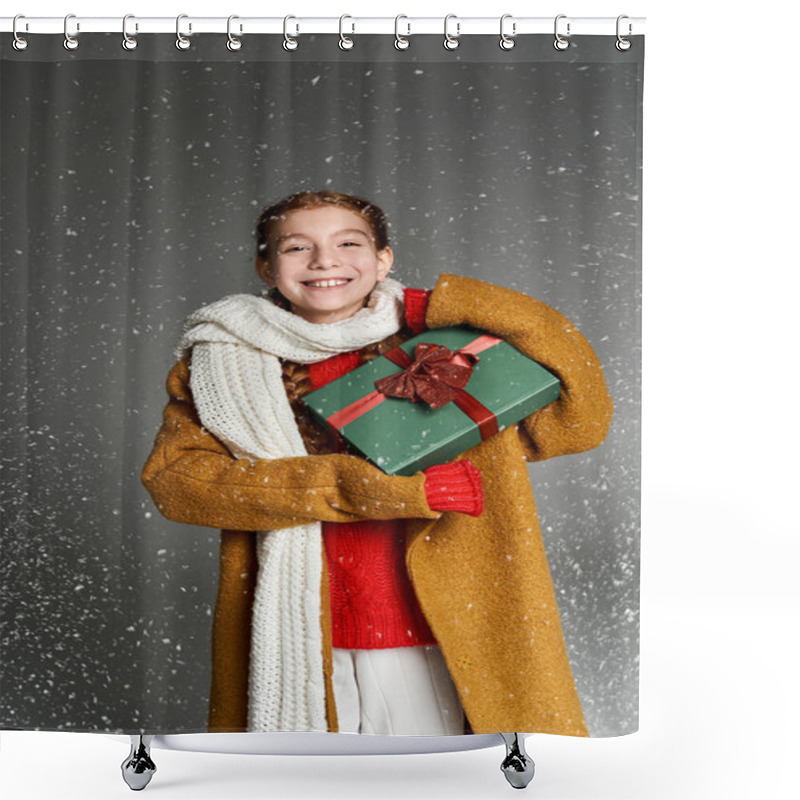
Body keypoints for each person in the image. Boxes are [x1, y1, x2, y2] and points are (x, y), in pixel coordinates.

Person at [141, 189, 614, 737]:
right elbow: (177, 483)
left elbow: (581, 420)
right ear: (265, 266)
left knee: (441, 785)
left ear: (384, 259)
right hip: (298, 633)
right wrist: (365, 489)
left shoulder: (452, 348)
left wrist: (439, 303)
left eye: (348, 243)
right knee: (305, 788)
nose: (324, 261)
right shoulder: (223, 360)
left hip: (446, 626)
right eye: (297, 247)